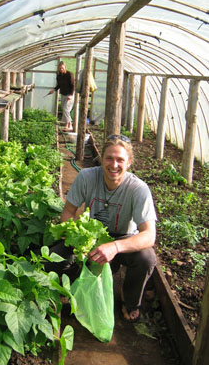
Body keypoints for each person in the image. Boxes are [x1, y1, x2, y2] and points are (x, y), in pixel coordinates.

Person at [45, 134, 157, 322]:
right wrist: (73, 236)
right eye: (109, 158)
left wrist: (114, 247)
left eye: (120, 160)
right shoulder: (87, 177)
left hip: (122, 239)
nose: (114, 165)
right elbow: (69, 211)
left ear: (128, 162)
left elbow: (148, 235)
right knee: (53, 258)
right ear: (101, 159)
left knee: (146, 258)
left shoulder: (138, 189)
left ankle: (130, 300)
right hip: (91, 237)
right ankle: (69, 289)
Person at [48, 61, 75, 132]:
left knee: (66, 109)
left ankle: (70, 126)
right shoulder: (59, 75)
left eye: (62, 68)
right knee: (65, 110)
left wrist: (71, 95)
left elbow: (73, 85)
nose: (61, 69)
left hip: (69, 95)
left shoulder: (69, 74)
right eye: (60, 68)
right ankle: (67, 125)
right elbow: (59, 85)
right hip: (63, 94)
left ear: (65, 67)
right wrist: (53, 90)